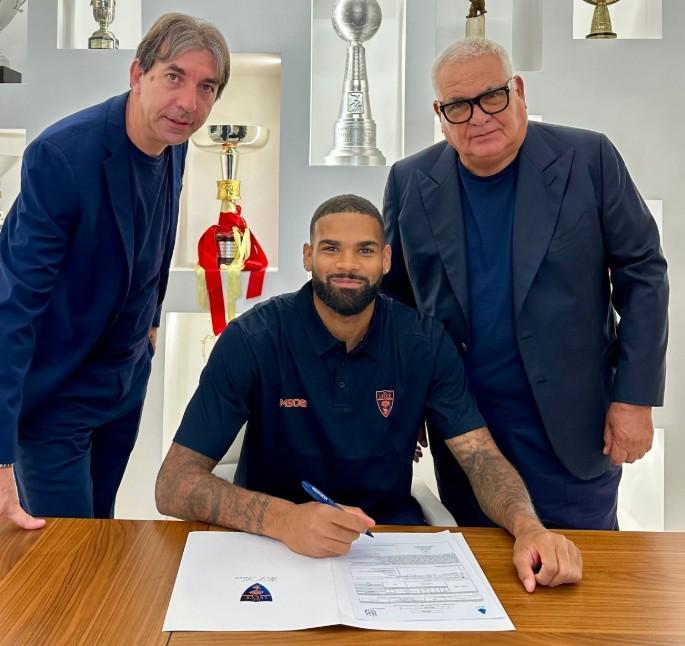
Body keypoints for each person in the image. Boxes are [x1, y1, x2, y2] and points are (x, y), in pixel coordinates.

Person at [157, 194, 582, 593]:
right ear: (307, 257)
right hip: (270, 546)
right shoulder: (251, 339)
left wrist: (528, 527)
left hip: (385, 544)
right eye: (330, 249)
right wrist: (283, 520)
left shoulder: (425, 342)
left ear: (386, 259)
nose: (348, 264)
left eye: (364, 250)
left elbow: (480, 456)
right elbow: (173, 484)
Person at [382, 38, 668, 529]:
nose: (479, 117)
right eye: (458, 106)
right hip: (467, 435)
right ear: (440, 114)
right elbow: (395, 303)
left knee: (583, 567)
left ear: (517, 91)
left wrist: (634, 397)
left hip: (574, 427)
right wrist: (400, 403)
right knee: (479, 568)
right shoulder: (408, 180)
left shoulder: (589, 158)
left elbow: (642, 272)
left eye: (492, 97)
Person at [0, 13, 231, 528]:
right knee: (64, 552)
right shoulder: (60, 157)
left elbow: (154, 238)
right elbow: (13, 304)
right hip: (56, 394)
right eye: (174, 76)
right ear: (137, 74)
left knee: (100, 534)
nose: (189, 103)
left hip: (124, 384)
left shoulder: (175, 142)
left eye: (206, 87)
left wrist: (149, 326)